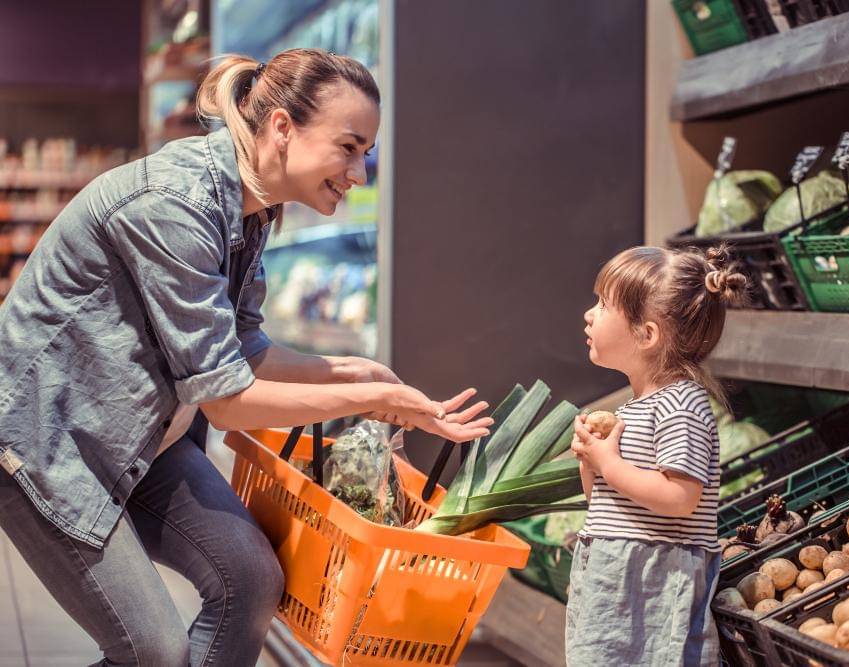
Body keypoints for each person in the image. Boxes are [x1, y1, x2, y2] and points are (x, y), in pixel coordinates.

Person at [0, 48, 491, 667]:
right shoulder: (173, 203)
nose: (360, 172)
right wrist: (372, 398)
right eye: (349, 146)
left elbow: (246, 351)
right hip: (47, 441)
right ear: (283, 128)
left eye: (365, 152)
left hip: (141, 436)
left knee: (250, 583)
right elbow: (229, 403)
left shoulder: (251, 210)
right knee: (152, 650)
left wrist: (353, 371)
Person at [566, 245, 748, 666]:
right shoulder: (634, 408)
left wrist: (608, 463)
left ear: (647, 335)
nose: (589, 314)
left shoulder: (682, 404)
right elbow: (608, 505)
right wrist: (591, 462)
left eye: (603, 305)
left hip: (651, 587)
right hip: (616, 579)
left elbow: (680, 499)